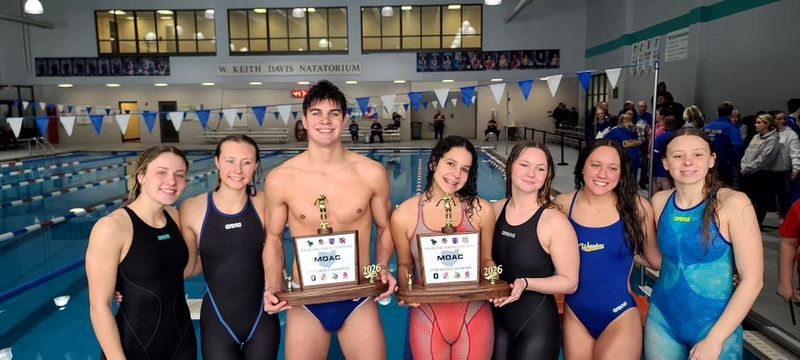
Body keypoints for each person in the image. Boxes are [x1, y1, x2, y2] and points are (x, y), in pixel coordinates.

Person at [262, 80, 397, 360]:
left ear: (345, 119)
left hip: (358, 293)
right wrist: (273, 287)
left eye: (334, 114)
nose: (325, 121)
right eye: (316, 113)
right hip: (306, 297)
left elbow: (386, 228)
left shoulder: (371, 173)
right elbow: (273, 240)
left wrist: (383, 267)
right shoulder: (280, 178)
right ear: (304, 119)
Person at [645, 128, 763, 359]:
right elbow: (659, 259)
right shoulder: (659, 202)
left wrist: (715, 339)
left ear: (711, 160)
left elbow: (753, 280)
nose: (688, 162)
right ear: (665, 162)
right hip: (663, 320)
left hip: (715, 324)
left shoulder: (733, 203)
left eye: (698, 155)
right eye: (678, 156)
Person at [391, 135, 497, 360]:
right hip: (427, 316)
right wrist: (404, 289)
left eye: (465, 169)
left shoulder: (481, 211)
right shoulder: (405, 214)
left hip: (474, 314)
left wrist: (493, 283)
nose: (456, 175)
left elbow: (487, 260)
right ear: (433, 163)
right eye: (451, 163)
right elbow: (404, 264)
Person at [86, 146, 196, 359]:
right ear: (142, 176)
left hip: (182, 341)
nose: (171, 181)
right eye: (161, 172)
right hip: (135, 346)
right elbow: (99, 307)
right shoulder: (113, 227)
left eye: (179, 175)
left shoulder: (175, 216)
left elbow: (178, 270)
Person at [553, 140, 659, 360]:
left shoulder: (637, 207)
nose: (603, 174)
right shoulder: (563, 205)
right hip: (576, 316)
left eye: (613, 168)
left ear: (621, 173)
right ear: (582, 167)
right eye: (595, 165)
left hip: (619, 314)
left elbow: (654, 259)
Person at [178, 135, 280, 358]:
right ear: (217, 162)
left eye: (246, 162)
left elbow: (282, 245)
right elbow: (186, 267)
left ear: (256, 165)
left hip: (262, 317)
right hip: (218, 321)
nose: (238, 169)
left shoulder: (266, 203)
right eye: (229, 160)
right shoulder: (192, 208)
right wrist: (130, 284)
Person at [491, 142, 579, 360]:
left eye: (540, 168)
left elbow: (570, 281)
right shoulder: (495, 210)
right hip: (494, 321)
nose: (531, 173)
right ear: (511, 166)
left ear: (548, 175)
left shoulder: (553, 220)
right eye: (524, 165)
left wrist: (526, 283)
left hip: (535, 326)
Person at [740, 113, 784, 227]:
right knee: (746, 199)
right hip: (748, 172)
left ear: (767, 124)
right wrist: (744, 166)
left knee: (760, 201)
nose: (755, 125)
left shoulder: (773, 140)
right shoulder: (755, 137)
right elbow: (747, 152)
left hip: (762, 174)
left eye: (759, 122)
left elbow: (764, 158)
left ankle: (756, 223)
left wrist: (749, 168)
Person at [703, 101, 744, 186]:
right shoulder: (731, 128)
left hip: (706, 163)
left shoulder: (707, 127)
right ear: (731, 114)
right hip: (724, 165)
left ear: (717, 113)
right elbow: (738, 146)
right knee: (723, 191)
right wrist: (733, 161)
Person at [604, 113, 642, 179]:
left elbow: (604, 141)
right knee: (631, 176)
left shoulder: (615, 131)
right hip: (631, 157)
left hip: (623, 157)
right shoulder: (634, 130)